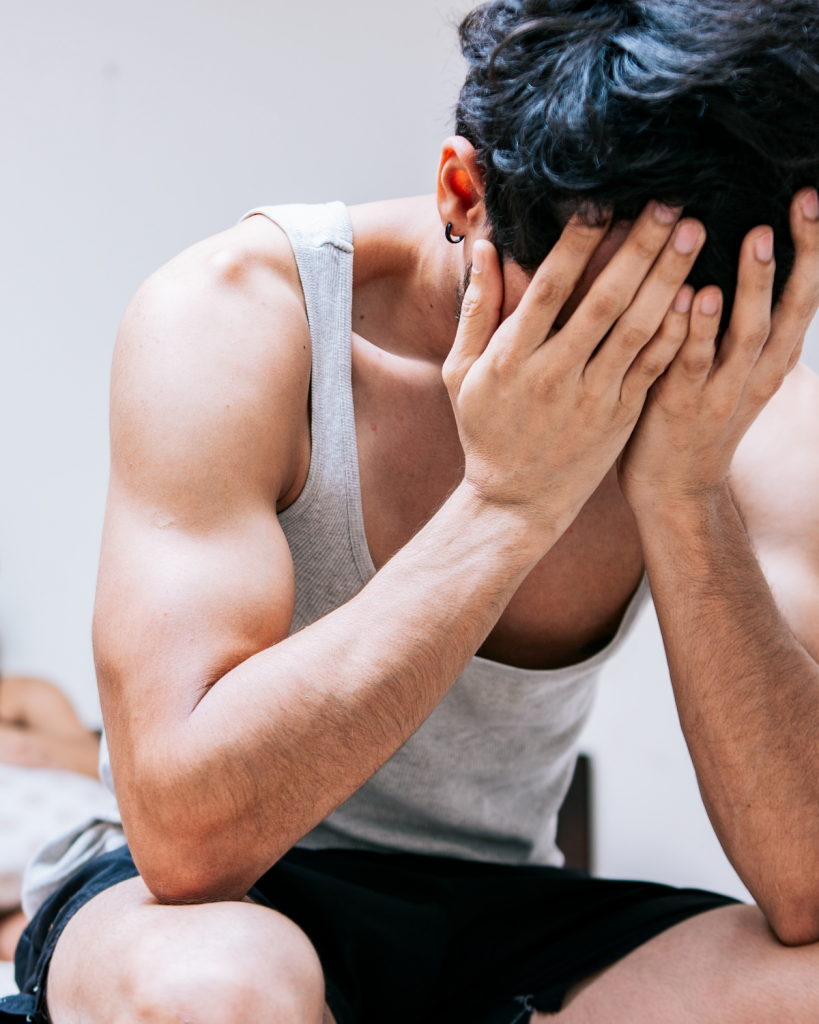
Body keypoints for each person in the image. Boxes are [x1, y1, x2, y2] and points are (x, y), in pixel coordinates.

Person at [3, 0, 819, 1021]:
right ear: (464, 193)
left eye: (689, 321)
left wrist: (688, 494)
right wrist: (505, 505)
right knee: (220, 992)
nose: (639, 364)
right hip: (211, 895)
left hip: (505, 907)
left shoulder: (744, 397)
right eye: (597, 316)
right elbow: (184, 834)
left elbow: (805, 884)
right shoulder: (241, 319)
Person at [0, 677, 101, 962]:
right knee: (20, 940)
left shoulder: (22, 694)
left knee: (36, 933)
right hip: (11, 899)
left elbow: (98, 762)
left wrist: (19, 744)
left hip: (62, 865)